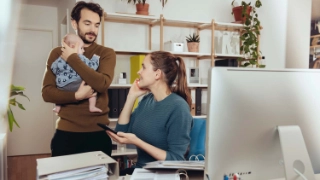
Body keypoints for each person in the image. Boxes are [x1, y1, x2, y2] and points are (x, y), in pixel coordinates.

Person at [42, 1, 116, 157]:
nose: (93, 30)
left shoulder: (106, 53)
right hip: (66, 134)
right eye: (87, 23)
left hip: (98, 134)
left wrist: (72, 58)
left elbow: (102, 84)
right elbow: (47, 93)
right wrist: (77, 96)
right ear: (74, 23)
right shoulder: (57, 53)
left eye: (97, 25)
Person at [107, 51, 193, 175]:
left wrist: (137, 142)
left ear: (157, 74)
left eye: (143, 67)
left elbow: (176, 159)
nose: (139, 72)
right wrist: (131, 97)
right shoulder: (147, 100)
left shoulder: (178, 108)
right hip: (141, 171)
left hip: (162, 175)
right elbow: (121, 132)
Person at [51, 33, 102, 113]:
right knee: (92, 90)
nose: (83, 50)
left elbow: (53, 68)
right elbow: (92, 67)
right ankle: (92, 107)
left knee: (59, 94)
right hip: (76, 84)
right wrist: (95, 58)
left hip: (62, 86)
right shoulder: (80, 58)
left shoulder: (60, 58)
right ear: (72, 47)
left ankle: (57, 107)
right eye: (81, 48)